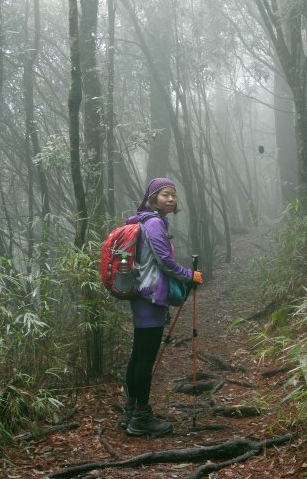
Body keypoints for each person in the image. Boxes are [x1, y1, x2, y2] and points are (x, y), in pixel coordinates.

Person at [119, 177, 203, 437]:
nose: (170, 199)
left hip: (141, 294)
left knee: (138, 354)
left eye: (173, 195)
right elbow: (164, 261)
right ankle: (141, 418)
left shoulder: (144, 221)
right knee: (145, 357)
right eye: (165, 194)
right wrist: (189, 275)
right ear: (153, 197)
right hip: (150, 296)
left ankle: (132, 410)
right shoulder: (154, 223)